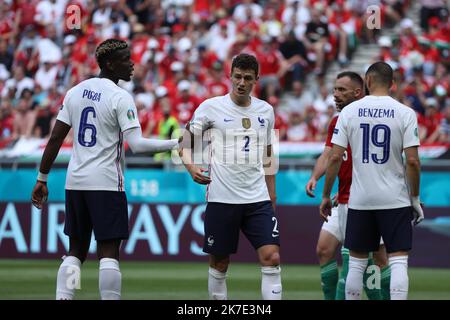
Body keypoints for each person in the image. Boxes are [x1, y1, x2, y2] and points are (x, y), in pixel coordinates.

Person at [31, 39, 179, 300]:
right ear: (110, 64)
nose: (132, 64)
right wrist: (178, 142)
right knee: (108, 253)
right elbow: (138, 145)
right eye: (125, 59)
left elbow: (55, 139)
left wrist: (42, 178)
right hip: (107, 183)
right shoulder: (120, 97)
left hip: (75, 183)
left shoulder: (75, 91)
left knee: (75, 250)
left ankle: (65, 297)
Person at [179, 53, 281, 300]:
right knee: (220, 263)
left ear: (257, 79)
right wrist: (191, 168)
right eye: (237, 77)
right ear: (230, 76)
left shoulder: (266, 111)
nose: (242, 83)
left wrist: (272, 192)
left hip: (257, 199)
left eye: (247, 78)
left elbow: (269, 154)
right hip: (222, 198)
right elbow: (184, 143)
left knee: (272, 257)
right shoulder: (210, 107)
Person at [320, 61, 424, 300]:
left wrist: (326, 194)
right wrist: (415, 198)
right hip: (394, 199)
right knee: (397, 260)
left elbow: (334, 157)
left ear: (366, 81)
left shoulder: (348, 112)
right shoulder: (405, 113)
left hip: (360, 199)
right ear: (393, 84)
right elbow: (413, 162)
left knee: (356, 263)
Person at [306, 71, 391, 300]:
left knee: (372, 258)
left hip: (366, 199)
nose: (335, 95)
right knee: (324, 249)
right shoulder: (337, 120)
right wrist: (316, 177)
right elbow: (329, 155)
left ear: (358, 91)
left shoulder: (371, 117)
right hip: (343, 198)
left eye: (341, 90)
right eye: (334, 89)